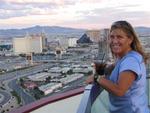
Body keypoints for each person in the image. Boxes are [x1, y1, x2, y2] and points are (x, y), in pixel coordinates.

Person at [86, 20, 150, 113]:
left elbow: (119, 90)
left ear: (130, 39)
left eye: (119, 37)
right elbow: (117, 67)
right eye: (112, 37)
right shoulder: (127, 57)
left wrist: (97, 78)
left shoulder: (131, 61)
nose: (114, 41)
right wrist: (107, 69)